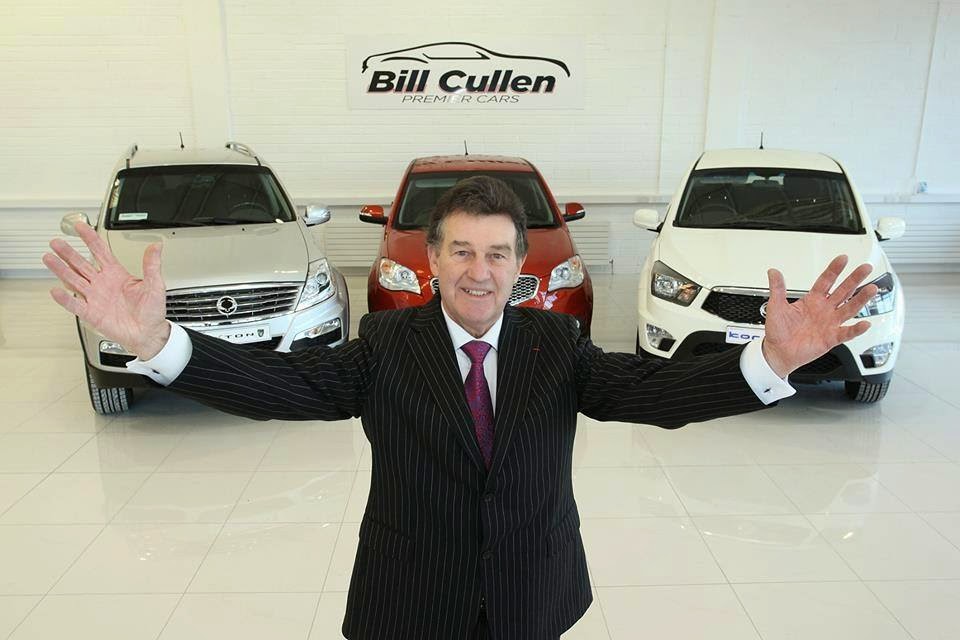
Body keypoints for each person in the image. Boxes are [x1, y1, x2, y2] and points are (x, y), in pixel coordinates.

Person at [43, 176, 877, 640]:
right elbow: (285, 386)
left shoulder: (556, 344)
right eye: (463, 252)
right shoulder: (386, 343)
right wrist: (160, 343)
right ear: (434, 260)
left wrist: (770, 360)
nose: (481, 272)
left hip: (531, 593)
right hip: (411, 600)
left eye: (499, 254)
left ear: (519, 266)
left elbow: (651, 392)